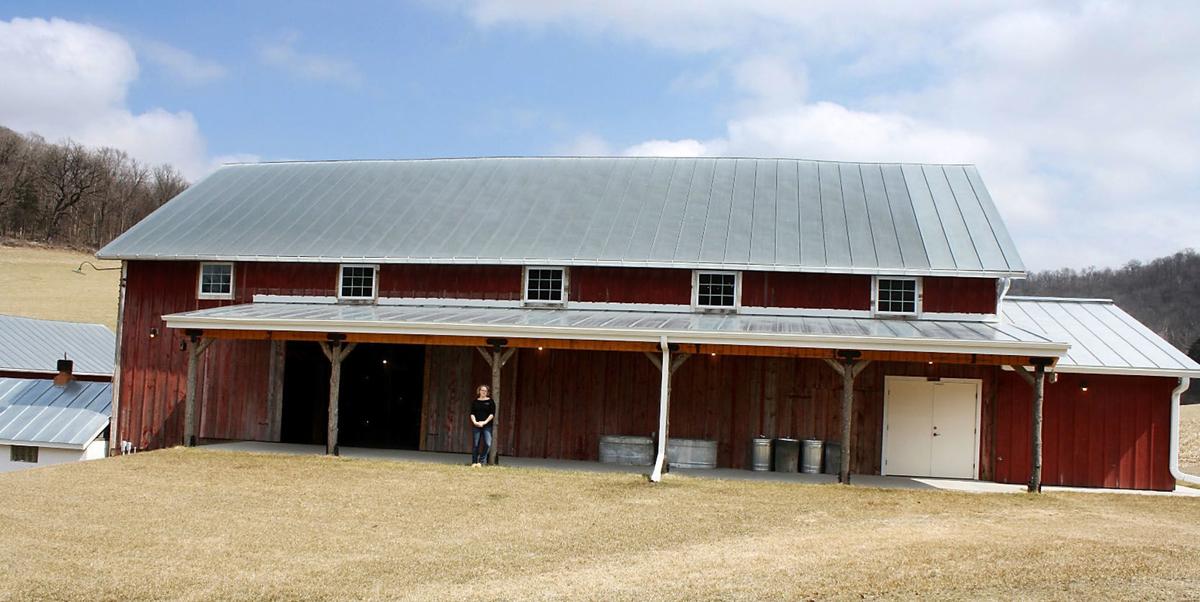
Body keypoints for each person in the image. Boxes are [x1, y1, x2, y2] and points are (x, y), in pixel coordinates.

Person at [470, 384, 495, 467]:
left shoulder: (490, 401)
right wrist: (475, 422)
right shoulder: (475, 402)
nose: (484, 392)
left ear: (487, 392)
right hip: (476, 425)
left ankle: (481, 461)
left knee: (488, 443)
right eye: (482, 390)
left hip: (487, 426)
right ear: (479, 391)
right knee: (475, 444)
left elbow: (492, 414)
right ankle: (474, 462)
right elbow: (472, 413)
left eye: (485, 391)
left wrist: (484, 422)